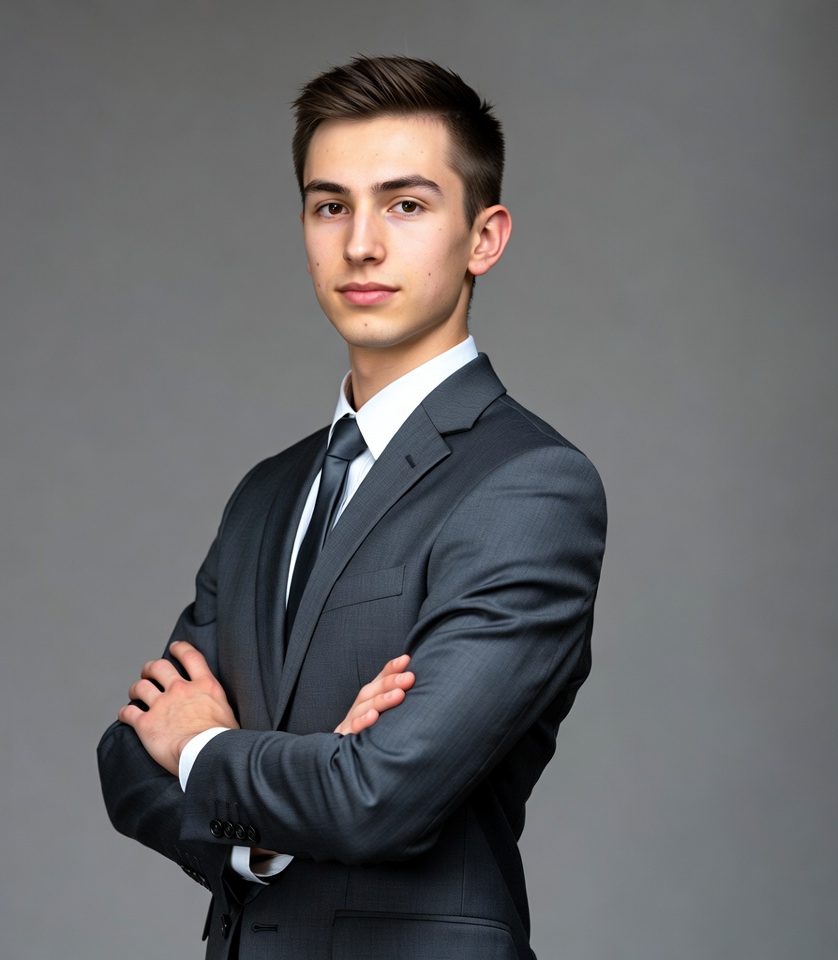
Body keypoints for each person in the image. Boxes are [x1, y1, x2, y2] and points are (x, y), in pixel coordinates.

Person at [98, 55, 606, 960]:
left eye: (405, 205)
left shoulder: (530, 486)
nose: (360, 244)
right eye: (330, 205)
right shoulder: (266, 493)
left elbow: (382, 796)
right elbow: (131, 758)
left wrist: (211, 752)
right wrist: (266, 823)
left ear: (483, 238)